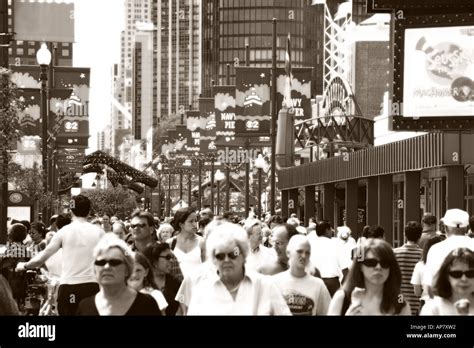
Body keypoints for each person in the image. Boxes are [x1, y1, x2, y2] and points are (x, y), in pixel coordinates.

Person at [16, 195, 105, 315]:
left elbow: (42, 258)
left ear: (71, 211)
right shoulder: (99, 233)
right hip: (92, 287)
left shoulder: (64, 232)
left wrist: (24, 265)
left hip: (69, 286)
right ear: (89, 211)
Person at [184, 223, 291, 315]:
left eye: (233, 254)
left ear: (244, 254)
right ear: (213, 259)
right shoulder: (202, 290)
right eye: (220, 256)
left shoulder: (265, 286)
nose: (226, 260)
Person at [77, 234, 161, 315]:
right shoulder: (85, 307)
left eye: (114, 262)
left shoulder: (147, 305)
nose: (106, 267)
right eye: (101, 262)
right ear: (94, 269)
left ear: (127, 269)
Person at [327, 238, 411, 315]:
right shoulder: (342, 298)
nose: (378, 267)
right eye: (371, 262)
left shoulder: (400, 303)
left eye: (384, 263)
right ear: (360, 266)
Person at [272, 235, 331, 315]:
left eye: (307, 253)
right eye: (299, 251)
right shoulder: (274, 283)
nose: (304, 256)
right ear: (288, 253)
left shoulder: (318, 285)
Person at [423, 209, 474, 294]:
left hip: (443, 302)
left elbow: (429, 286)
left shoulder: (436, 249)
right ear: (467, 228)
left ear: (445, 227)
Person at [420, 248, 474, 315]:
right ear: (446, 276)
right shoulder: (433, 308)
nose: (464, 279)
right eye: (456, 274)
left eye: (471, 273)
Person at [308, 220, 350, 296]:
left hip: (313, 282)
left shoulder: (310, 244)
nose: (332, 231)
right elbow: (345, 269)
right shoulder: (336, 244)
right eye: (331, 229)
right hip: (332, 283)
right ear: (327, 230)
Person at [394, 221, 423, 315]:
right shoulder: (423, 255)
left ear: (404, 235)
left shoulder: (394, 253)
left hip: (399, 300)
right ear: (420, 236)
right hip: (418, 302)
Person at [144, 243, 181, 316]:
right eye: (167, 257)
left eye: (171, 257)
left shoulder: (176, 283)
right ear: (154, 260)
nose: (171, 260)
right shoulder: (142, 283)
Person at [168, 207, 203, 279]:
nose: (194, 224)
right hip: (176, 288)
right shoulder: (170, 243)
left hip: (197, 287)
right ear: (181, 224)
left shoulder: (202, 242)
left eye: (196, 221)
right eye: (191, 221)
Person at [411, 235, 443, 311]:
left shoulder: (419, 265)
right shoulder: (446, 265)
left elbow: (417, 292)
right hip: (442, 305)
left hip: (425, 304)